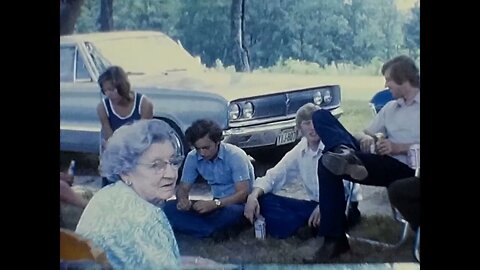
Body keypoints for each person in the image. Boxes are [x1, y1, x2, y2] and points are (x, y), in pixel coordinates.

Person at [310, 55, 420, 260]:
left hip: (409, 169)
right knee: (319, 117)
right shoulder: (390, 108)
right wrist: (369, 140)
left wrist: (398, 147)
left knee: (328, 162)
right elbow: (364, 133)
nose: (385, 84)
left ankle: (344, 155)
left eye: (388, 79)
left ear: (403, 79)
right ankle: (335, 240)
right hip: (380, 162)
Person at [75, 119, 184, 269]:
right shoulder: (145, 217)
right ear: (126, 171)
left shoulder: (109, 194)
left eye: (173, 161)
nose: (171, 174)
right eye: (157, 165)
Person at [243, 103, 362, 239]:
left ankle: (298, 227)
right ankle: (302, 225)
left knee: (328, 218)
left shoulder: (333, 145)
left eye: (315, 122)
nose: (312, 128)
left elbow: (346, 186)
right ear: (299, 128)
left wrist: (325, 205)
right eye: (307, 123)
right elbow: (274, 176)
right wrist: (253, 196)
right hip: (313, 205)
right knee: (265, 200)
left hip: (340, 205)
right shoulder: (300, 149)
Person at [163, 119, 254, 240]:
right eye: (198, 148)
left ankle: (202, 229)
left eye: (206, 148)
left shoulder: (235, 155)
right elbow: (183, 187)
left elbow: (243, 193)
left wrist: (215, 204)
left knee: (231, 213)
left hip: (236, 204)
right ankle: (211, 231)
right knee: (168, 207)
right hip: (214, 205)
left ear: (217, 142)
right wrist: (182, 200)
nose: (202, 153)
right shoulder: (193, 157)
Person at [96, 65, 154, 187]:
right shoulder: (103, 107)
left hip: (138, 152)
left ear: (122, 86)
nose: (109, 94)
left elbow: (142, 137)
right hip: (116, 154)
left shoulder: (144, 104)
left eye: (112, 89)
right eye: (105, 91)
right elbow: (109, 138)